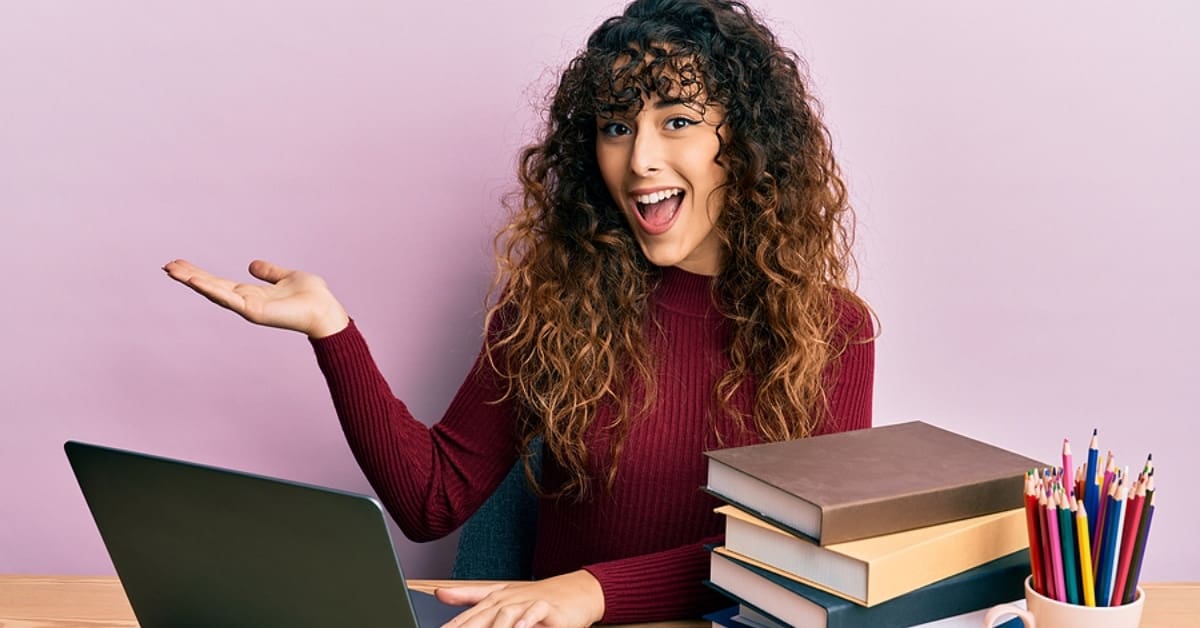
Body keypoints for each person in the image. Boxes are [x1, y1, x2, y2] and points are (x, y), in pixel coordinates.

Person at [164, 0, 875, 625]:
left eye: (678, 121)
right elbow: (431, 501)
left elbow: (800, 554)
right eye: (617, 126)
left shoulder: (832, 332)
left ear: (748, 146)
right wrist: (333, 333)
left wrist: (592, 592)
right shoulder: (557, 304)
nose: (641, 160)